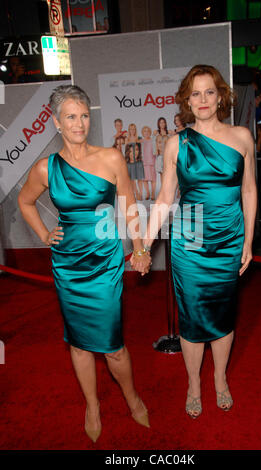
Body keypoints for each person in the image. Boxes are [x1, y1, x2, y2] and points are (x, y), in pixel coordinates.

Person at [18, 85, 151, 443]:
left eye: (84, 115)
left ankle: (132, 397)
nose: (80, 123)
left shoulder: (110, 158)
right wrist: (46, 235)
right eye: (71, 117)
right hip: (68, 263)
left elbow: (129, 204)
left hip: (105, 260)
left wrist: (138, 247)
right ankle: (91, 405)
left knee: (112, 345)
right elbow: (25, 202)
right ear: (57, 122)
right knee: (78, 343)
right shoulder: (46, 168)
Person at [141, 65, 257, 418]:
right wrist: (144, 245)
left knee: (223, 317)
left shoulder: (241, 137)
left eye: (209, 92)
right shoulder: (177, 143)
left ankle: (220, 380)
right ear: (186, 101)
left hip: (229, 237)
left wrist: (249, 242)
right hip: (190, 241)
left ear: (220, 96)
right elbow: (163, 199)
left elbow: (249, 190)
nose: (203, 99)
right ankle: (194, 383)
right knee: (192, 320)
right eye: (195, 93)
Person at [139, 126, 156, 200]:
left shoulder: (153, 141)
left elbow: (155, 151)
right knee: (144, 179)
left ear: (150, 132)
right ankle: (148, 193)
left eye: (148, 131)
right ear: (142, 133)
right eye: (145, 131)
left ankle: (153, 194)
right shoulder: (140, 141)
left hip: (151, 161)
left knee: (153, 179)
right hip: (143, 162)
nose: (146, 132)